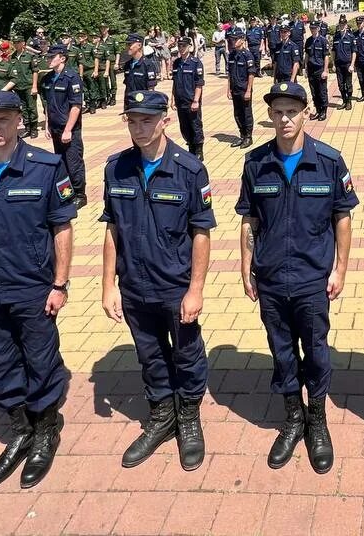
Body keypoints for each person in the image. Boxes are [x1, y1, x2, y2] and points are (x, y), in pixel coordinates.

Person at [0, 91, 75, 489]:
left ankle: (44, 430)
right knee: (0, 361)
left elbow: (61, 227)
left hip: (32, 286)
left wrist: (60, 283)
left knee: (40, 359)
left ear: (19, 121)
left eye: (2, 120)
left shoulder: (45, 166)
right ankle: (19, 428)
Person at [237, 82, 357, 474]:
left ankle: (317, 421)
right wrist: (245, 265)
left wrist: (340, 268)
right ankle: (293, 417)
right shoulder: (256, 163)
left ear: (306, 112)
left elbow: (343, 217)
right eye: (278, 112)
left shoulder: (329, 161)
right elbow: (249, 219)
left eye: (292, 111)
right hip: (271, 278)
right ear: (269, 116)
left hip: (312, 279)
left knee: (316, 349)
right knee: (282, 350)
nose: (285, 119)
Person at [101, 89, 212, 471]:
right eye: (132, 120)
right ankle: (162, 415)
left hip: (175, 285)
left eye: (147, 119)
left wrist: (195, 290)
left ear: (164, 119)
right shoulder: (115, 167)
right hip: (134, 285)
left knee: (186, 352)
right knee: (149, 355)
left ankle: (189, 417)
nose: (139, 127)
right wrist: (107, 285)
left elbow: (201, 232)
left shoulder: (189, 169)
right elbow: (112, 229)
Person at [39, 45, 87, 208]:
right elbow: (47, 104)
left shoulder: (72, 77)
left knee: (73, 163)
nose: (48, 60)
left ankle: (80, 195)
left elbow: (76, 106)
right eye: (47, 57)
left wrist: (68, 130)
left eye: (52, 57)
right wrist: (47, 125)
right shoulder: (46, 79)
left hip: (70, 129)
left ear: (62, 58)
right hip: (55, 128)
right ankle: (67, 194)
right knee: (61, 164)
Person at [171, 37, 206, 160]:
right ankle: (190, 147)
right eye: (179, 46)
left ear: (189, 47)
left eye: (184, 46)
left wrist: (196, 100)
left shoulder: (196, 63)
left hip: (192, 101)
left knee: (195, 125)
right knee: (184, 126)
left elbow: (199, 83)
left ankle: (199, 150)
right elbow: (174, 82)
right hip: (180, 101)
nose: (181, 48)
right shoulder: (176, 63)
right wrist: (172, 99)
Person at [227, 33, 257, 148]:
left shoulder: (247, 55)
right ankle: (242, 135)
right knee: (237, 113)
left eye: (236, 39)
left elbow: (251, 74)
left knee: (246, 113)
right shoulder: (231, 55)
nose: (233, 42)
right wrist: (228, 89)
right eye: (232, 40)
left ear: (242, 40)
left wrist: (249, 90)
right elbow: (230, 73)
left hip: (244, 89)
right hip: (235, 89)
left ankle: (248, 137)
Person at [304, 21, 331, 122]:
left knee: (322, 92)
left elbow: (326, 56)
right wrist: (305, 68)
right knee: (314, 93)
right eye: (311, 28)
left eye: (314, 28)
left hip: (320, 70)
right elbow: (307, 55)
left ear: (318, 29)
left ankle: (323, 111)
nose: (313, 30)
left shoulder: (323, 41)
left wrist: (325, 70)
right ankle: (318, 110)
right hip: (311, 70)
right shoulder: (308, 41)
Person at [330, 21, 357, 111]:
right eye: (340, 24)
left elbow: (354, 51)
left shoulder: (350, 36)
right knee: (340, 84)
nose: (342, 26)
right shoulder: (336, 36)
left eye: (343, 24)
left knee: (348, 84)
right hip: (338, 65)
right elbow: (333, 51)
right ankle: (344, 101)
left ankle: (349, 101)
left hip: (347, 64)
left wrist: (352, 65)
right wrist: (333, 64)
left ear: (346, 25)